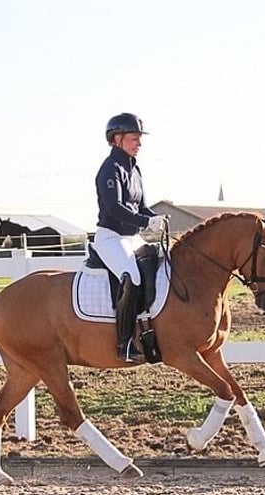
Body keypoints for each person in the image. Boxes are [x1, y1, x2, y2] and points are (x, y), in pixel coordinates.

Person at [93, 112, 165, 363]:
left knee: (160, 265)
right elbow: (114, 208)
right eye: (134, 138)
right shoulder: (109, 169)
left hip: (132, 238)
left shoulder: (135, 170)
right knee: (132, 277)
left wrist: (157, 218)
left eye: (139, 138)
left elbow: (141, 207)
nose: (139, 143)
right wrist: (146, 222)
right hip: (111, 237)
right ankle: (124, 343)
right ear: (117, 139)